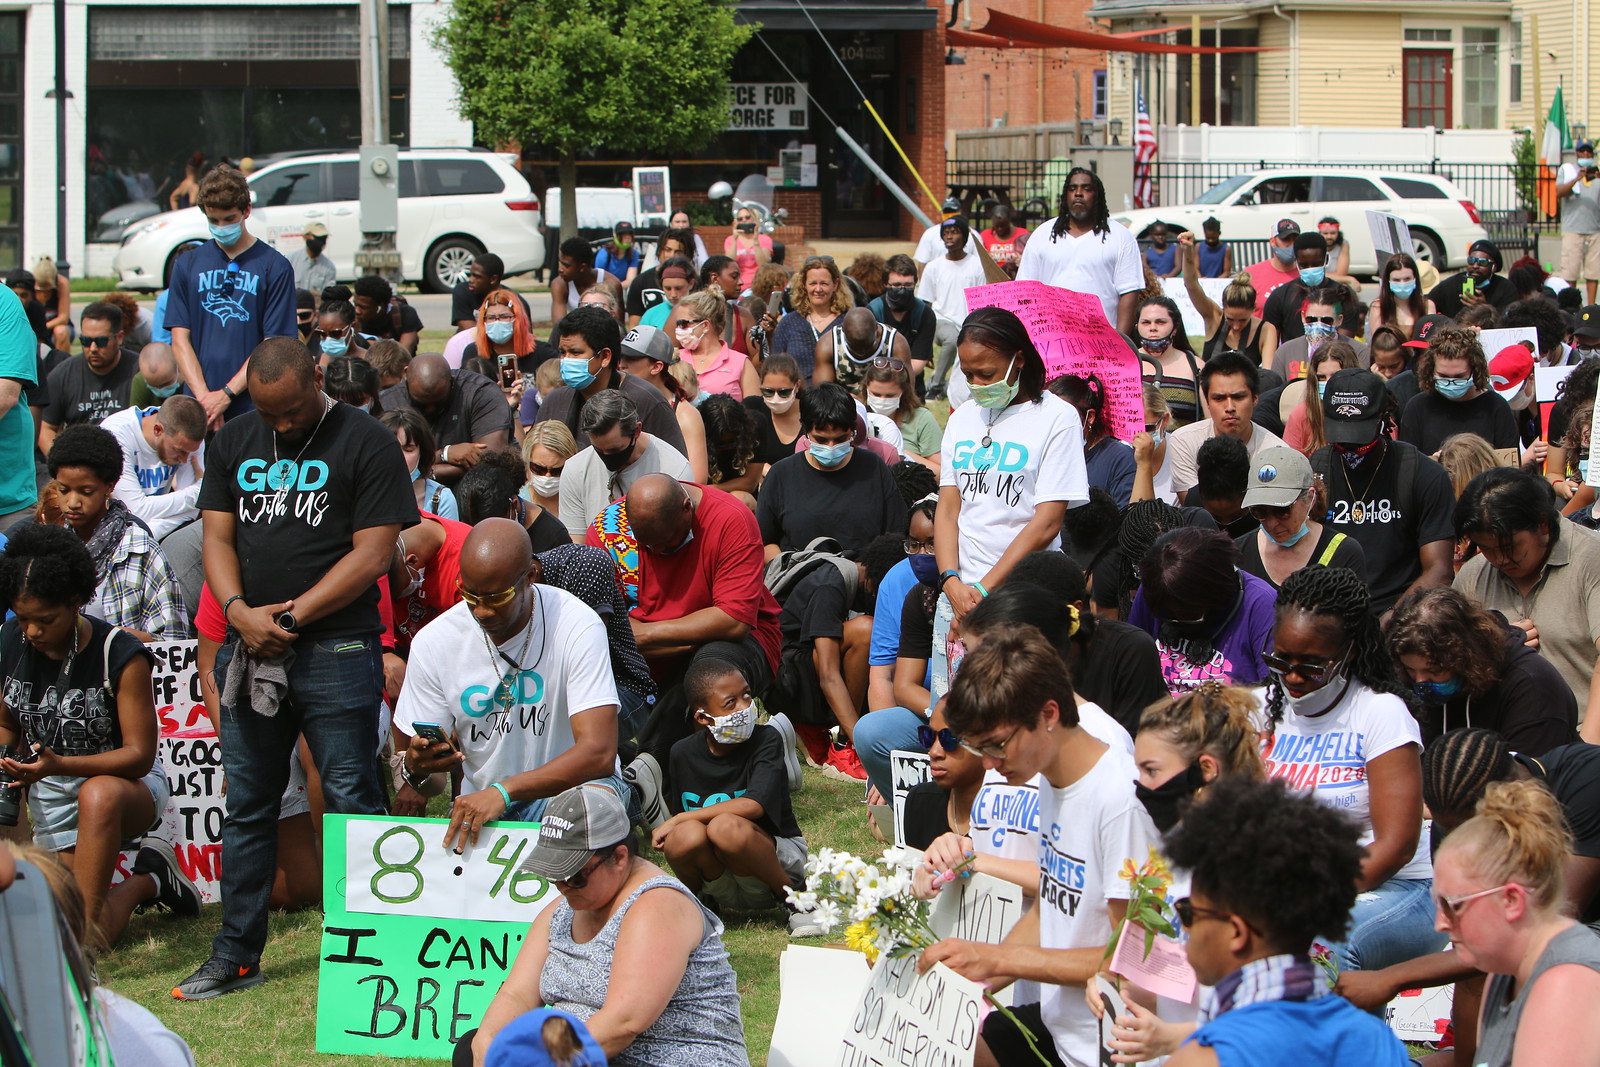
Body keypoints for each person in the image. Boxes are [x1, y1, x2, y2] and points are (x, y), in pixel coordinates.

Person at [174, 337, 418, 999]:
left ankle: (375, 949)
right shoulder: (233, 440)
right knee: (249, 802)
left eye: (291, 411)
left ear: (317, 376)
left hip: (337, 645)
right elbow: (217, 536)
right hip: (251, 644)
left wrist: (290, 618)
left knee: (351, 796)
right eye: (268, 413)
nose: (280, 426)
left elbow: (373, 554)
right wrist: (237, 611)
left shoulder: (366, 440)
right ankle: (235, 955)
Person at [920, 625, 1155, 1067]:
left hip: (1111, 1046)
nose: (989, 764)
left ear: (1049, 714)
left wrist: (999, 960)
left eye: (997, 745)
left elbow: (1132, 957)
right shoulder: (1050, 778)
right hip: (1060, 1025)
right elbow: (1051, 903)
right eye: (979, 748)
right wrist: (974, 980)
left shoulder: (1120, 801)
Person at [0, 524, 198, 949]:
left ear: (76, 601)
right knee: (67, 931)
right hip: (52, 792)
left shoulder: (119, 653)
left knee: (80, 939)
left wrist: (59, 765)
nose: (32, 632)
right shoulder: (9, 642)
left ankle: (143, 879)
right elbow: (8, 724)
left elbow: (139, 756)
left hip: (124, 788)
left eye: (45, 620)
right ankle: (153, 877)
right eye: (23, 618)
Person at [459, 783, 748, 1067]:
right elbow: (517, 994)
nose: (563, 886)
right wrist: (487, 1042)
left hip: (661, 1057)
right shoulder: (566, 907)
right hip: (591, 1054)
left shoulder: (658, 904)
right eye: (555, 875)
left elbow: (623, 1023)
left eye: (574, 876)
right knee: (471, 1048)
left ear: (619, 857)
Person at [1260, 565, 1443, 974]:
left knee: (1322, 942)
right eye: (1280, 660)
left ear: (1350, 653)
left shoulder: (1380, 713)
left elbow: (1396, 846)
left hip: (1400, 886)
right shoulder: (1260, 711)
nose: (1292, 677)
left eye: (1312, 666)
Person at [1155, 777, 1411, 1067]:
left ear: (1236, 933)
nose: (1186, 927)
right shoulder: (1379, 1041)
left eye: (1190, 913)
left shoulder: (1204, 1059)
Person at [395, 517, 626, 832]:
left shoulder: (576, 624)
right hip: (485, 806)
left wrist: (505, 791)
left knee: (591, 808)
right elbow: (433, 784)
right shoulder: (434, 642)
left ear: (530, 576)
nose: (482, 611)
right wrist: (418, 768)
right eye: (469, 595)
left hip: (571, 794)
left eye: (496, 598)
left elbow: (599, 753)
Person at [935, 307, 1087, 689]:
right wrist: (951, 581)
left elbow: (1046, 522)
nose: (976, 383)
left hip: (1021, 596)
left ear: (1019, 359)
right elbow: (949, 509)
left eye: (986, 373)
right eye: (968, 374)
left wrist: (984, 591)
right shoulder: (962, 418)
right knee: (958, 707)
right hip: (958, 596)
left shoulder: (1057, 417)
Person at [612, 475, 782, 776]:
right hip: (651, 654)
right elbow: (609, 623)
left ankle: (664, 770)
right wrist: (678, 636)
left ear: (686, 507)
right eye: (646, 545)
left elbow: (733, 621)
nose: (657, 552)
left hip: (737, 644)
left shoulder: (731, 519)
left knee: (706, 670)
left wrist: (649, 633)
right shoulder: (609, 531)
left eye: (668, 543)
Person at [1433, 777, 1600, 1067]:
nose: (1440, 924)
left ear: (1511, 900)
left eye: (1453, 905)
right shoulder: (1504, 972)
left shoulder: (1566, 983)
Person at [654, 657, 811, 932]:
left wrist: (678, 819)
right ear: (703, 718)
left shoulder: (766, 739)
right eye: (731, 702)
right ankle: (698, 905)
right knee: (683, 836)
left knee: (724, 827)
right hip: (721, 874)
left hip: (775, 862)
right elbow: (687, 826)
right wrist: (681, 823)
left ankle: (795, 901)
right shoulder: (682, 753)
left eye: (747, 695)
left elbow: (754, 806)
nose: (745, 707)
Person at [1453, 467, 1600, 736]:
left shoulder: (1592, 559)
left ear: (1542, 524)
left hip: (1579, 737)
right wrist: (1489, 644)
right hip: (1501, 742)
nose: (1500, 559)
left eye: (1509, 547)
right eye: (1487, 548)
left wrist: (1588, 750)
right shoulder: (1474, 575)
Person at [1311, 368, 1456, 615]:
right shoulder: (1316, 471)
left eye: (1359, 440)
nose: (1350, 448)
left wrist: (1391, 619)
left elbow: (1439, 571)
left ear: (1383, 420)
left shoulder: (1423, 474)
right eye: (1341, 440)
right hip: (1330, 613)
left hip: (1400, 613)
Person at [164, 165, 297, 427]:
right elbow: (179, 339)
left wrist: (226, 395)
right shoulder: (187, 264)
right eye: (213, 220)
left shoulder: (275, 266)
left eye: (229, 218)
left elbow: (273, 344)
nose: (222, 227)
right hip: (198, 405)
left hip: (254, 404)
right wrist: (205, 398)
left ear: (246, 210)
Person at [1389, 586, 1578, 754]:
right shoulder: (1409, 687)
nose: (1420, 682)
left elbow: (1528, 778)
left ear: (1467, 656)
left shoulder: (1531, 685)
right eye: (1411, 670)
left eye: (1434, 670)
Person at [47, 424, 188, 641]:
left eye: (86, 492)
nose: (73, 502)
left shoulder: (140, 550)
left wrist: (105, 638)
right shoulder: (50, 549)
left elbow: (172, 642)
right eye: (63, 490)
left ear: (109, 487)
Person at [758, 382, 903, 555]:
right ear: (806, 431)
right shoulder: (781, 475)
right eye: (821, 440)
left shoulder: (874, 467)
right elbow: (764, 541)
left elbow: (896, 534)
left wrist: (868, 568)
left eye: (841, 439)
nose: (831, 446)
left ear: (852, 432)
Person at [1129, 528, 1275, 693]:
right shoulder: (1157, 587)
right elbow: (1133, 668)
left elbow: (1270, 693)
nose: (1177, 621)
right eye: (1170, 616)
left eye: (1187, 615)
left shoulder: (1260, 604)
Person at [536, 306, 687, 455]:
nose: (566, 360)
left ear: (605, 356)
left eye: (576, 353)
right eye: (563, 352)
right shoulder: (555, 401)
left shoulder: (646, 401)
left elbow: (674, 465)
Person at [1016, 168, 1142, 333]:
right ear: (1065, 195)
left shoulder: (1121, 236)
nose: (1078, 193)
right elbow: (1026, 290)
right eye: (1072, 188)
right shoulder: (1042, 234)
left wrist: (1121, 341)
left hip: (1101, 337)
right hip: (1052, 336)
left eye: (1086, 189)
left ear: (1097, 195)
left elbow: (1129, 292)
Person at [559, 390, 691, 542]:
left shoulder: (675, 470)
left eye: (615, 450)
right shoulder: (576, 470)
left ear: (637, 431)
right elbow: (577, 544)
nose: (606, 457)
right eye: (599, 450)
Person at [1237, 445, 1364, 591]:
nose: (1272, 524)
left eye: (1282, 511)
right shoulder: (1238, 553)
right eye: (1259, 511)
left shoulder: (1343, 552)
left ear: (1310, 498)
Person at [1167, 353, 1289, 503]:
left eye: (1238, 397)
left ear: (1255, 398)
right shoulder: (1184, 440)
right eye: (1219, 398)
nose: (1229, 407)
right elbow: (1192, 504)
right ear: (1207, 402)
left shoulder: (1277, 452)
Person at [380, 354, 514, 487]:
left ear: (452, 382)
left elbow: (491, 464)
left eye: (439, 403)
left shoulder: (481, 393)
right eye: (421, 404)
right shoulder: (386, 403)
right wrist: (443, 454)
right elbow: (384, 467)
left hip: (472, 490)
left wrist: (417, 472)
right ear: (405, 375)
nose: (431, 409)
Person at [1399, 324, 1519, 457]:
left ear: (1475, 370)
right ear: (1431, 370)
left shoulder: (1496, 407)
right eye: (1443, 376)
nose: (1451, 382)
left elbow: (1509, 463)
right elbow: (1408, 462)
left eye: (1459, 377)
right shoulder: (1417, 407)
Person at [37, 302, 139, 456]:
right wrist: (62, 462)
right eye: (85, 341)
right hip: (79, 458)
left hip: (129, 456)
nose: (93, 348)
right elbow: (45, 428)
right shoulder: (62, 375)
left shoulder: (139, 371)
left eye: (101, 341)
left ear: (119, 338)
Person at [616, 323, 706, 481]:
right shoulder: (614, 399)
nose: (621, 364)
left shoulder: (685, 415)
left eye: (631, 359)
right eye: (621, 356)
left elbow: (696, 480)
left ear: (656, 367)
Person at [920, 217, 988, 393]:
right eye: (946, 233)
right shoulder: (933, 267)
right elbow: (925, 303)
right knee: (952, 340)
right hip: (941, 320)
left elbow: (982, 300)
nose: (949, 236)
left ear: (964, 237)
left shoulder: (977, 265)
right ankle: (936, 385)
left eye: (954, 232)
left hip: (970, 322)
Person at [459, 448, 571, 552]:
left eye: (492, 529)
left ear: (514, 505)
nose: (483, 538)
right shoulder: (469, 517)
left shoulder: (554, 538)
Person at [1050, 374, 1135, 507]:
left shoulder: (1120, 458)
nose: (1053, 425)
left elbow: (1127, 513)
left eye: (1062, 417)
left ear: (1089, 417)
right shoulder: (1041, 452)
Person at [1176, 235, 1263, 364]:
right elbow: (1191, 285)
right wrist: (1187, 250)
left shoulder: (1265, 329)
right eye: (1230, 319)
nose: (1236, 326)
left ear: (1253, 309)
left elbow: (1268, 372)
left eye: (1243, 320)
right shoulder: (1214, 317)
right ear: (1223, 308)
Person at [767, 256, 852, 383]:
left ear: (835, 284)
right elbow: (776, 365)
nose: (818, 289)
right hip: (800, 393)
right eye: (813, 283)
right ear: (804, 285)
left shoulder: (847, 323)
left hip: (838, 393)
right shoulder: (789, 323)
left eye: (824, 283)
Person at [1264, 285, 1365, 387]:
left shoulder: (1359, 352)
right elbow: (1276, 391)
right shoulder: (1285, 352)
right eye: (1311, 319)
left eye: (1326, 320)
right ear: (1303, 317)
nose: (1318, 325)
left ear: (1339, 320)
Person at [1134, 295, 1204, 427]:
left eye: (1160, 322)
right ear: (1137, 326)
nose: (1153, 328)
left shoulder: (1195, 366)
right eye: (1146, 322)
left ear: (1175, 328)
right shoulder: (1123, 364)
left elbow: (1209, 419)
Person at [379, 406, 460, 522]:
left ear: (422, 452)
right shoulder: (364, 494)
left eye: (408, 450)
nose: (399, 457)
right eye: (390, 449)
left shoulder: (442, 499)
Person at [860, 357, 940, 472]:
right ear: (866, 389)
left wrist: (898, 452)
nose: (882, 400)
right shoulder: (858, 417)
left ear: (904, 392)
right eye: (876, 394)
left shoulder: (922, 419)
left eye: (890, 395)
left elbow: (942, 472)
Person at [673, 290, 756, 400]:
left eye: (683, 323)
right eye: (677, 324)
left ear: (705, 325)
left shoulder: (741, 363)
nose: (678, 329)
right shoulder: (674, 359)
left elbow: (754, 407)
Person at [871, 254, 937, 392]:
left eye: (908, 285)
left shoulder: (925, 314)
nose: (902, 290)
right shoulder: (872, 312)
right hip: (876, 386)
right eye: (896, 285)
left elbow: (919, 361)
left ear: (915, 283)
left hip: (911, 386)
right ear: (885, 284)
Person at [461, 288, 546, 391]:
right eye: (491, 318)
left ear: (518, 319)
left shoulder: (542, 353)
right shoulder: (472, 353)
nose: (497, 322)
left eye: (504, 317)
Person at [1557, 139, 1600, 304]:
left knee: (1593, 273)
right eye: (1583, 151)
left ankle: (1591, 306)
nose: (1586, 154)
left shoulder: (1597, 175)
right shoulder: (1568, 171)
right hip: (1573, 230)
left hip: (1594, 230)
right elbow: (1559, 192)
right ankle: (1573, 306)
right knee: (1571, 272)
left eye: (1589, 151)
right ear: (1577, 153)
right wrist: (1577, 178)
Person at [1431, 239, 1517, 318]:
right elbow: (1430, 300)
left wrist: (1485, 308)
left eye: (1482, 262)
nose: (1475, 266)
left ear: (1493, 267)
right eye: (1471, 261)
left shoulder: (1505, 288)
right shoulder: (1452, 284)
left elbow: (1510, 320)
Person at [744, 354, 804, 466]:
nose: (776, 398)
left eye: (784, 392)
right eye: (768, 392)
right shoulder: (752, 407)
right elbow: (745, 453)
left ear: (797, 386)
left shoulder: (811, 409)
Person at [626, 229, 696, 326]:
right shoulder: (640, 282)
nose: (672, 255)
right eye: (668, 250)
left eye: (678, 251)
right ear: (659, 251)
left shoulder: (698, 283)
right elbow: (635, 327)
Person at [451, 253, 531, 332]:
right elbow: (469, 332)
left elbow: (526, 335)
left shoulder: (517, 303)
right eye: (470, 275)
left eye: (477, 276)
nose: (471, 280)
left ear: (493, 279)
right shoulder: (463, 291)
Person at [1241, 219, 1306, 314]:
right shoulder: (1251, 274)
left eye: (1295, 240)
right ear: (1273, 241)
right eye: (1286, 239)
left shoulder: (1306, 274)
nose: (1292, 245)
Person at [1367, 252, 1436, 340]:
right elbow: (1377, 343)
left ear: (1415, 278)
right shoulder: (1378, 307)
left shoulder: (1427, 305)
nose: (1402, 284)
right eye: (1396, 280)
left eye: (1407, 279)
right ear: (1388, 281)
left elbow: (1432, 341)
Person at [351, 275, 423, 355]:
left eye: (363, 307)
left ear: (380, 306)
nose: (356, 310)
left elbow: (404, 354)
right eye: (355, 304)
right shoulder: (351, 319)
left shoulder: (404, 314)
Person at [724, 205, 774, 292]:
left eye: (747, 217)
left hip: (759, 285)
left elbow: (763, 264)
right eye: (740, 219)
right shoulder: (730, 240)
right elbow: (729, 262)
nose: (744, 220)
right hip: (738, 285)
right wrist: (734, 239)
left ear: (755, 219)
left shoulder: (764, 239)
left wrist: (756, 241)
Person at [32, 256, 73, 352]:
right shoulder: (30, 283)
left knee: (61, 331)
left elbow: (63, 318)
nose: (44, 294)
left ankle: (62, 360)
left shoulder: (62, 283)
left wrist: (41, 327)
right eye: (39, 290)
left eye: (48, 289)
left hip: (55, 327)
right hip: (35, 329)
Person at [285, 222, 334, 294]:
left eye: (324, 238)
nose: (321, 242)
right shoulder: (290, 260)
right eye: (317, 237)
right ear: (305, 237)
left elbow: (328, 295)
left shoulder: (329, 267)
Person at [980, 204, 1029, 274]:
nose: (1000, 229)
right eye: (997, 226)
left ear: (1009, 221)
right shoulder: (985, 235)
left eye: (1003, 226)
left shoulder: (1022, 234)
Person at [594, 221, 639, 286]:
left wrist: (617, 288)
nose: (627, 237)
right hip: (604, 288)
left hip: (622, 289)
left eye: (630, 234)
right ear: (615, 236)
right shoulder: (604, 253)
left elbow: (630, 280)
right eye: (623, 234)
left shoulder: (633, 254)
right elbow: (598, 279)